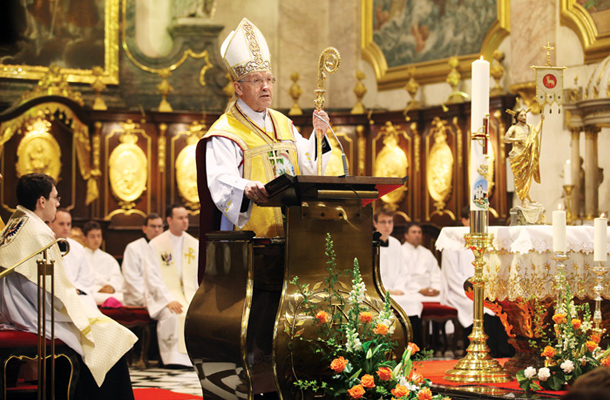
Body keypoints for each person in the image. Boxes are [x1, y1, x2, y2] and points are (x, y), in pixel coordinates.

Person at [0, 173, 137, 399]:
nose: (58, 202)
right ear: (42, 201)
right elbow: (50, 295)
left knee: (102, 327)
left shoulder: (16, 223)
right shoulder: (38, 233)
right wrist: (78, 306)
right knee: (110, 336)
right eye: (55, 197)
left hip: (18, 309)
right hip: (34, 315)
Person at [199, 17, 332, 238]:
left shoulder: (283, 123)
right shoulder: (225, 131)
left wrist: (319, 135)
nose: (266, 87)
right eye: (256, 81)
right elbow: (220, 179)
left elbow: (309, 167)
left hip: (293, 233)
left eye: (270, 80)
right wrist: (245, 187)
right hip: (250, 237)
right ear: (238, 88)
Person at [439, 206, 513, 357]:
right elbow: (452, 276)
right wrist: (473, 292)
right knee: (484, 309)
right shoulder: (454, 242)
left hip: (484, 289)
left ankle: (503, 352)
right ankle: (486, 353)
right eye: (474, 220)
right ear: (464, 220)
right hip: (461, 291)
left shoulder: (487, 240)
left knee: (498, 307)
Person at [145, 204, 198, 367]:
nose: (185, 221)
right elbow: (151, 277)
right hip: (164, 296)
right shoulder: (156, 244)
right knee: (174, 314)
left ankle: (193, 359)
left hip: (189, 294)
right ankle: (174, 360)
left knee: (196, 314)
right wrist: (168, 299)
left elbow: (198, 275)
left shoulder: (194, 244)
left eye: (186, 217)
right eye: (180, 218)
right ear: (169, 220)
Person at [373, 206, 423, 347]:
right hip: (378, 293)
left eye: (390, 222)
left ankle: (414, 351)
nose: (387, 226)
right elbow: (371, 273)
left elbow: (403, 271)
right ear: (375, 223)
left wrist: (399, 288)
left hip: (396, 291)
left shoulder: (395, 244)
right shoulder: (370, 243)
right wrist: (387, 290)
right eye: (383, 222)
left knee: (414, 304)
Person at [49, 208, 97, 309]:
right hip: (55, 296)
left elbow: (87, 276)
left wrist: (77, 289)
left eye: (68, 224)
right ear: (51, 224)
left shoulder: (77, 248)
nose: (66, 228)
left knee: (89, 304)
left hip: (77, 293)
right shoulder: (45, 246)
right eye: (61, 224)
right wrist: (65, 290)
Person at [503, 109, 544, 207]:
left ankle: (526, 197)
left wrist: (541, 121)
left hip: (527, 155)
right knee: (520, 178)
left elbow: (536, 132)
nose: (524, 117)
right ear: (517, 117)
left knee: (527, 177)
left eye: (525, 115)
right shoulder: (514, 128)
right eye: (521, 115)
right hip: (517, 155)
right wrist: (516, 139)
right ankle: (523, 198)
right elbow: (505, 138)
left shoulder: (529, 128)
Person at [122, 213, 164, 307]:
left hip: (160, 296)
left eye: (159, 226)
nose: (157, 230)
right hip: (138, 297)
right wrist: (148, 297)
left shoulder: (165, 249)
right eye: (153, 226)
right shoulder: (133, 248)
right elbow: (131, 278)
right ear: (144, 229)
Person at [82, 220, 125, 306]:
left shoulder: (108, 258)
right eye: (92, 236)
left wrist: (112, 286)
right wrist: (97, 289)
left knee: (123, 298)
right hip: (89, 291)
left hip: (106, 292)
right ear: (85, 238)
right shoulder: (80, 256)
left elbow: (117, 277)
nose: (96, 239)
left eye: (99, 236)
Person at [400, 222, 441, 302]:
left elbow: (436, 274)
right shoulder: (400, 251)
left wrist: (436, 289)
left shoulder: (427, 253)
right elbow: (402, 277)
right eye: (414, 232)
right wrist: (419, 290)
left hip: (431, 294)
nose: (417, 235)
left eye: (419, 232)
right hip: (410, 292)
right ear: (406, 235)